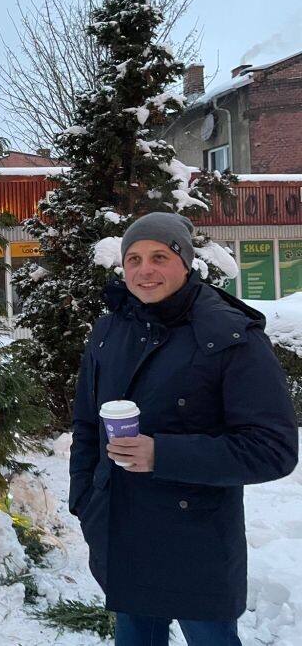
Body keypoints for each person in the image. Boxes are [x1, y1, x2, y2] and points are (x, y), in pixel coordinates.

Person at [69, 212, 298, 646]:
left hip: (198, 542)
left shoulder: (231, 336)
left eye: (159, 256)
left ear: (186, 262)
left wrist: (162, 455)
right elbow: (85, 425)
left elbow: (274, 449)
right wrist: (85, 497)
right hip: (124, 532)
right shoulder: (109, 329)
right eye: (133, 258)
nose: (144, 269)